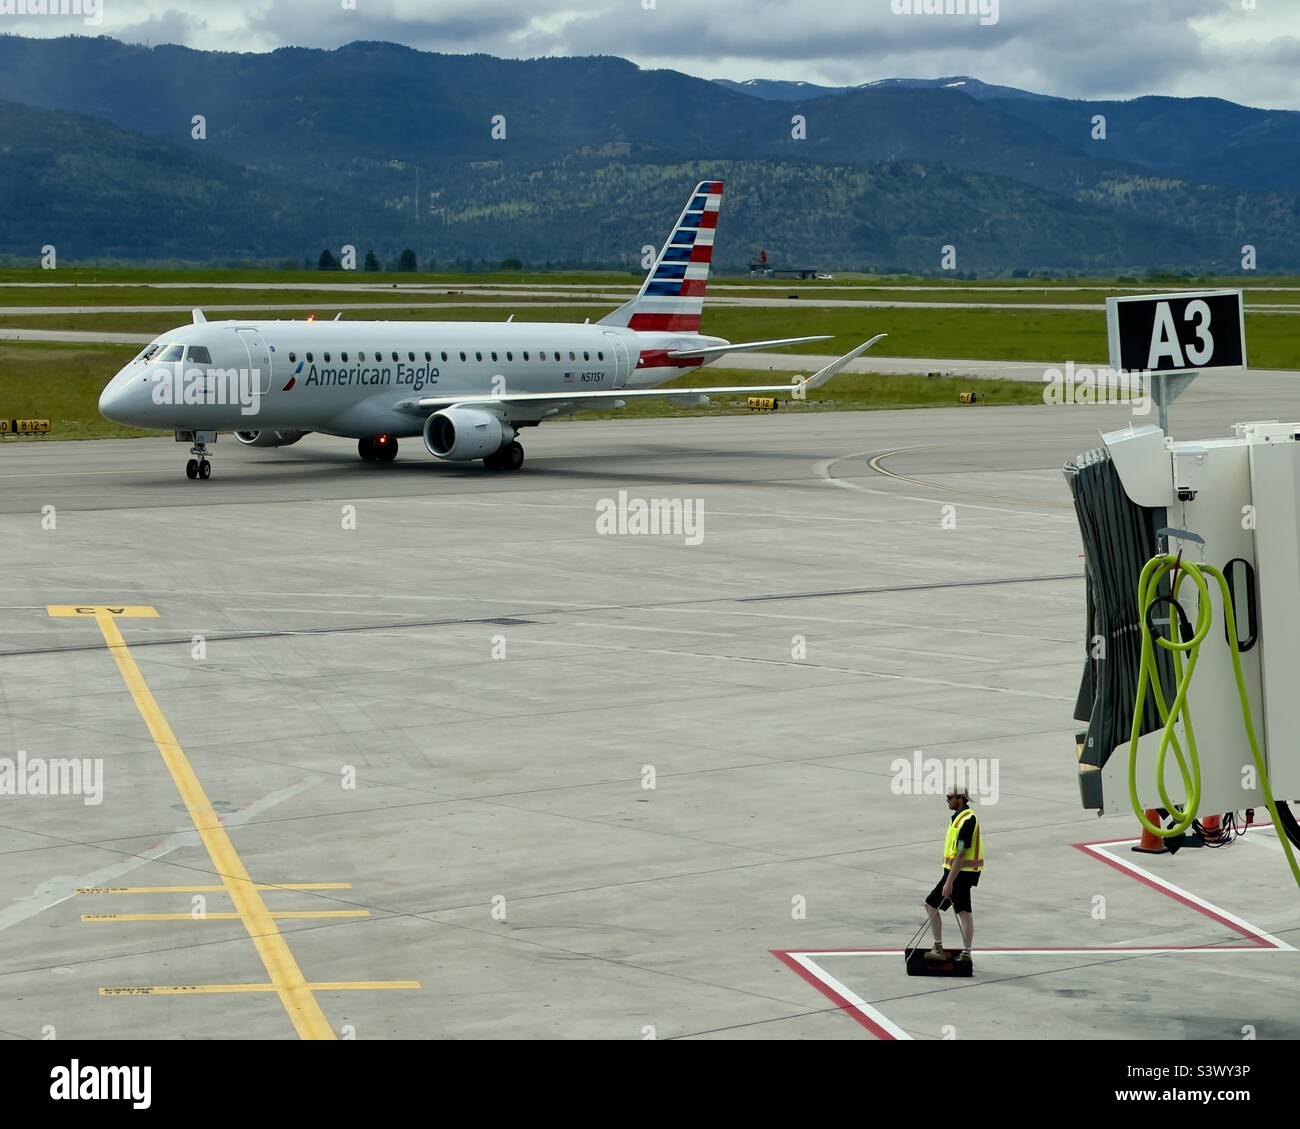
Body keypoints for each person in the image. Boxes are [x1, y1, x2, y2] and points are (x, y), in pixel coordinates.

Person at [924, 785, 983, 962]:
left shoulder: (967, 820)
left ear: (960, 798)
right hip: (961, 873)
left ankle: (938, 948)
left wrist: (949, 882)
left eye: (950, 798)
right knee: (964, 911)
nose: (947, 801)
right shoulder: (959, 818)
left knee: (930, 904)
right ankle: (966, 953)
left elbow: (962, 852)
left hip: (959, 874)